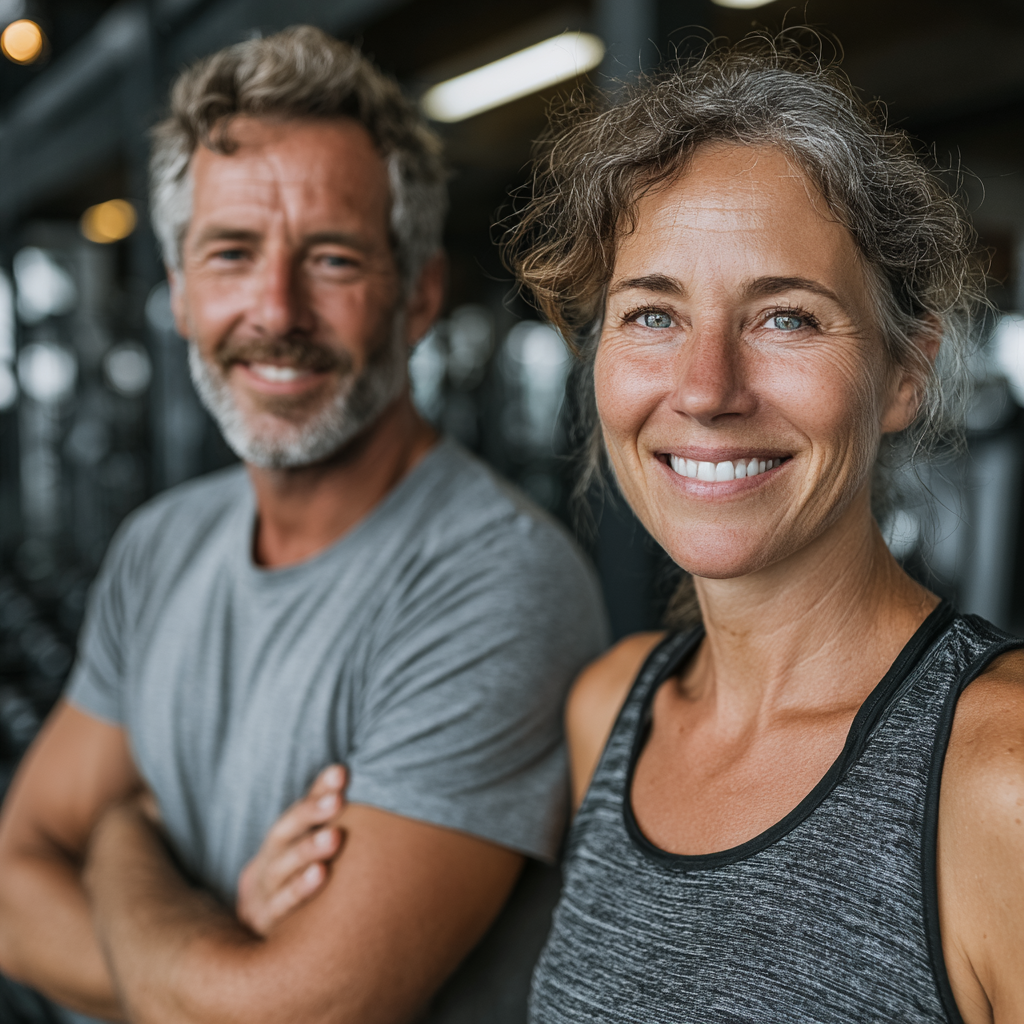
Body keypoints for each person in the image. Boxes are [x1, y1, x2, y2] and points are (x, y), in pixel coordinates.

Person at [0, 26, 608, 1024]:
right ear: (181, 292)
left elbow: (290, 1014)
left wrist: (118, 841)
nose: (275, 309)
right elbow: (12, 892)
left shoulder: (495, 582)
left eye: (330, 258)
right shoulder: (160, 545)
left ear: (415, 297)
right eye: (231, 252)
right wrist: (203, 950)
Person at [501, 38, 1024, 1024]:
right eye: (652, 315)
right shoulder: (609, 713)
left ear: (904, 373)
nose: (705, 389)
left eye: (783, 318)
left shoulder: (1000, 776)